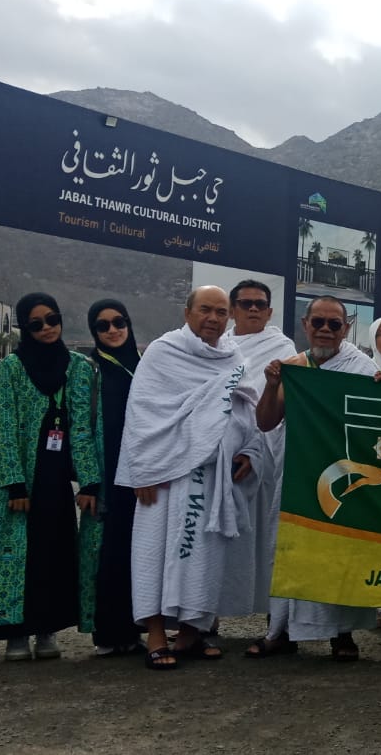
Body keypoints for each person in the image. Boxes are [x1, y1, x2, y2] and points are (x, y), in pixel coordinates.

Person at [118, 286, 262, 670]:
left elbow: (247, 411)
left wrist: (250, 450)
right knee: (156, 550)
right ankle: (155, 635)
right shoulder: (163, 353)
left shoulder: (233, 358)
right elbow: (141, 413)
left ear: (228, 317)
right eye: (205, 310)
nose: (212, 318)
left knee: (204, 556)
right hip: (164, 473)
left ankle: (189, 633)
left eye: (220, 312)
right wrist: (142, 470)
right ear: (187, 313)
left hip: (212, 475)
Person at [251, 296, 381, 661]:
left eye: (334, 324)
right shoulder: (292, 368)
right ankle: (280, 631)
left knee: (338, 552)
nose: (325, 330)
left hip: (342, 477)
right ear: (305, 325)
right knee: (289, 550)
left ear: (346, 328)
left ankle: (342, 634)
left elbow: (376, 419)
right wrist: (271, 385)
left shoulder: (362, 368)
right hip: (297, 474)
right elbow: (265, 422)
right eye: (318, 322)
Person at [0, 292, 101, 661]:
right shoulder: (12, 367)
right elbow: (3, 426)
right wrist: (13, 483)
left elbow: (84, 426)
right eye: (36, 324)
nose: (47, 328)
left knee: (54, 553)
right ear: (26, 328)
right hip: (22, 479)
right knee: (18, 555)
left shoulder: (79, 367)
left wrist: (89, 480)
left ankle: (47, 630)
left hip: (56, 480)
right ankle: (16, 635)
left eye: (52, 319)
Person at [216, 280, 298, 628]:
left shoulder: (283, 349)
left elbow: (280, 404)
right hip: (221, 453)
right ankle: (206, 617)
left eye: (260, 304)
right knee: (218, 535)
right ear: (233, 309)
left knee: (267, 536)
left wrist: (253, 447)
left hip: (267, 451)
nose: (253, 309)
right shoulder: (217, 347)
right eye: (246, 303)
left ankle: (274, 620)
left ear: (269, 311)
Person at [86, 299, 147, 658]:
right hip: (107, 474)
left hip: (141, 473)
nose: (112, 330)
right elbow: (81, 428)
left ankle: (132, 631)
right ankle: (107, 633)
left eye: (118, 322)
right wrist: (89, 482)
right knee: (107, 553)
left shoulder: (144, 365)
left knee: (135, 552)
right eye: (102, 325)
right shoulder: (89, 369)